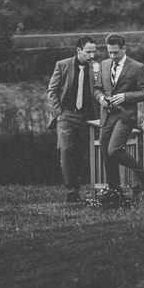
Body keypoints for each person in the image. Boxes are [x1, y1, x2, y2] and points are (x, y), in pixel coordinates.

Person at [93, 33, 144, 197]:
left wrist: (125, 96)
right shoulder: (104, 65)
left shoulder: (137, 67)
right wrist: (101, 99)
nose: (112, 56)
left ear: (124, 49)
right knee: (107, 154)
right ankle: (115, 192)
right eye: (110, 52)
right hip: (107, 115)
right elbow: (97, 89)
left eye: (116, 52)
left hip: (125, 116)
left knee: (114, 149)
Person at [47, 36, 101, 203]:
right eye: (88, 52)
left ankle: (77, 190)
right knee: (65, 149)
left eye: (94, 51)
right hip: (67, 115)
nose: (92, 55)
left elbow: (100, 90)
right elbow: (52, 91)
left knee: (80, 153)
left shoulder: (97, 67)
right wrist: (59, 113)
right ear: (79, 51)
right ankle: (71, 192)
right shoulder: (62, 65)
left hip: (87, 117)